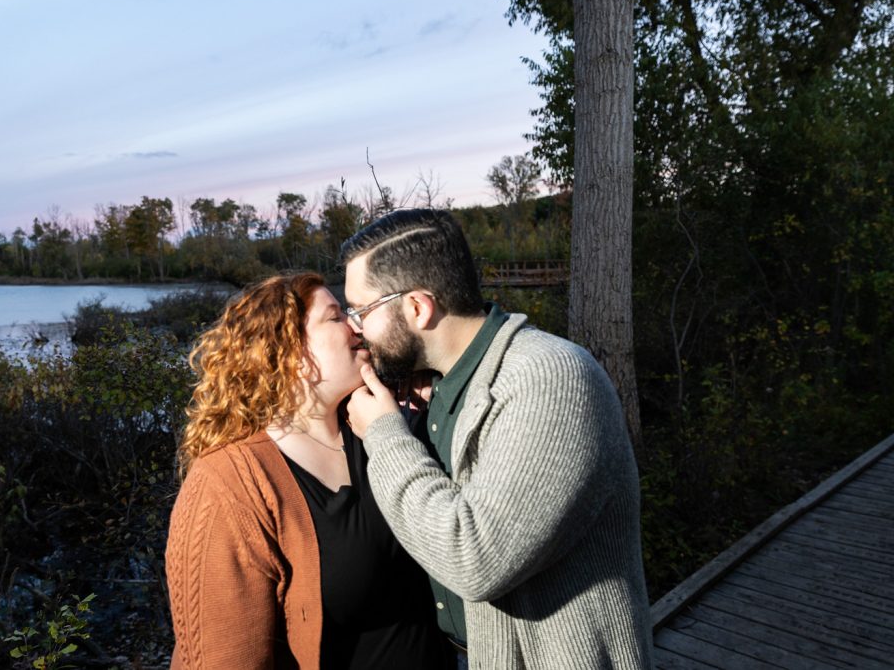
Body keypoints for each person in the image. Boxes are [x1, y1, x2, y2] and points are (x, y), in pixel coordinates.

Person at [340, 209, 655, 669]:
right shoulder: (447, 384)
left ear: (417, 308)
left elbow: (475, 559)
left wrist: (386, 436)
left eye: (361, 311)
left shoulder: (551, 378)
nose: (354, 327)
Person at [164, 273, 449, 669]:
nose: (356, 324)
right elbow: (225, 656)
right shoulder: (229, 485)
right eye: (335, 317)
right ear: (287, 350)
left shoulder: (382, 431)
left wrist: (428, 408)